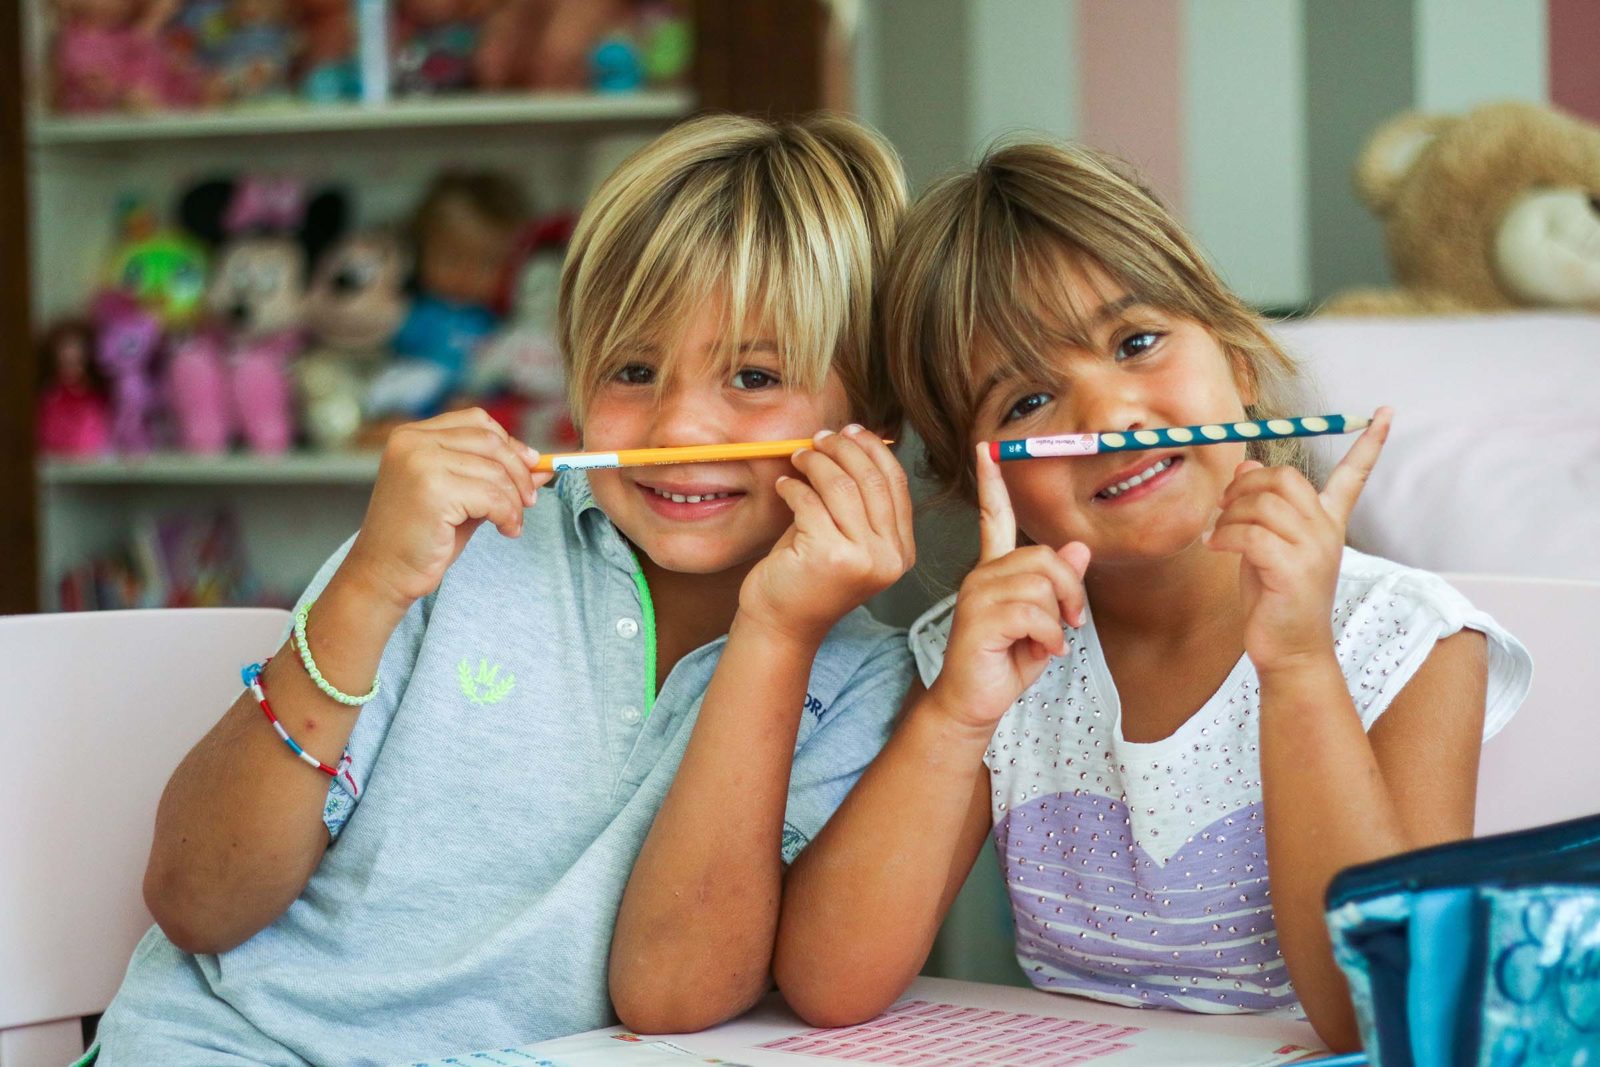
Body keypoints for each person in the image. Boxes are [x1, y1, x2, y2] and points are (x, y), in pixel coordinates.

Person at [91, 112, 914, 1066]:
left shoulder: (864, 683)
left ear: (875, 421)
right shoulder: (453, 548)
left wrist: (775, 634)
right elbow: (196, 898)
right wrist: (368, 585)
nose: (681, 428)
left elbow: (673, 991)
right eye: (632, 368)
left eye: (756, 375)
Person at [772, 139, 1530, 1053]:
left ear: (1240, 365)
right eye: (1025, 403)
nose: (1108, 418)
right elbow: (828, 983)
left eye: (1137, 343)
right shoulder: (985, 665)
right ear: (985, 485)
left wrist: (1297, 668)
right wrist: (955, 719)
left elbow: (1380, 1011)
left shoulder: (1410, 640)